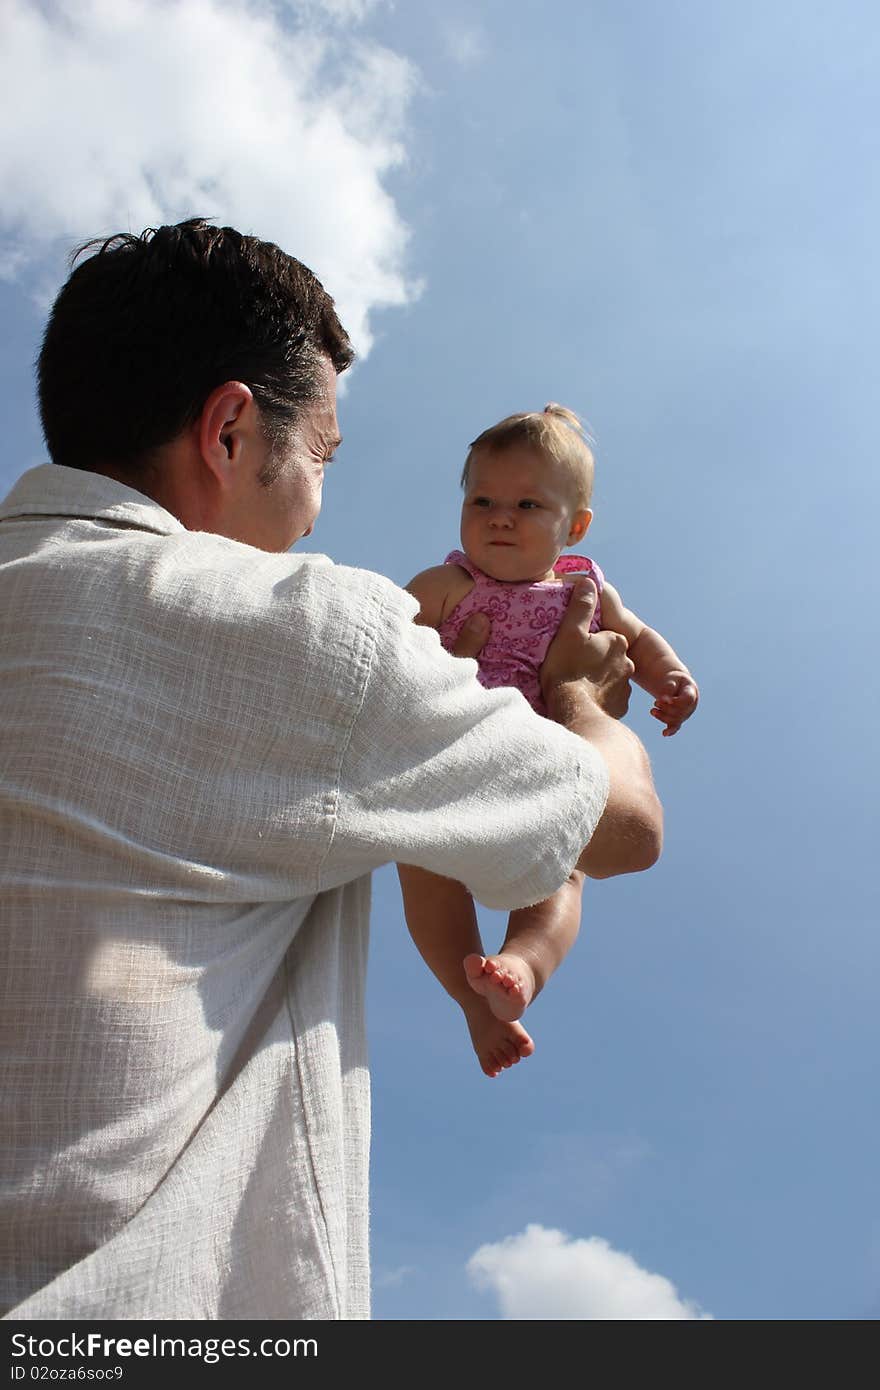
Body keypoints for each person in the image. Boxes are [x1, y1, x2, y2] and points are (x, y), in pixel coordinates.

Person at [0, 220, 662, 1321]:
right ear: (228, 429)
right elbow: (624, 825)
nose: (316, 504)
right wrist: (585, 693)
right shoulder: (308, 631)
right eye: (321, 457)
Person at [400, 405, 697, 1076]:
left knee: (565, 870)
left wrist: (671, 678)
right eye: (483, 500)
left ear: (575, 526)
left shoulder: (582, 589)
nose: (500, 516)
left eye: (528, 503)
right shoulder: (449, 586)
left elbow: (640, 641)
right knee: (425, 874)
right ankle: (473, 1005)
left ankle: (522, 966)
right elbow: (388, 634)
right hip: (451, 763)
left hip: (547, 767)